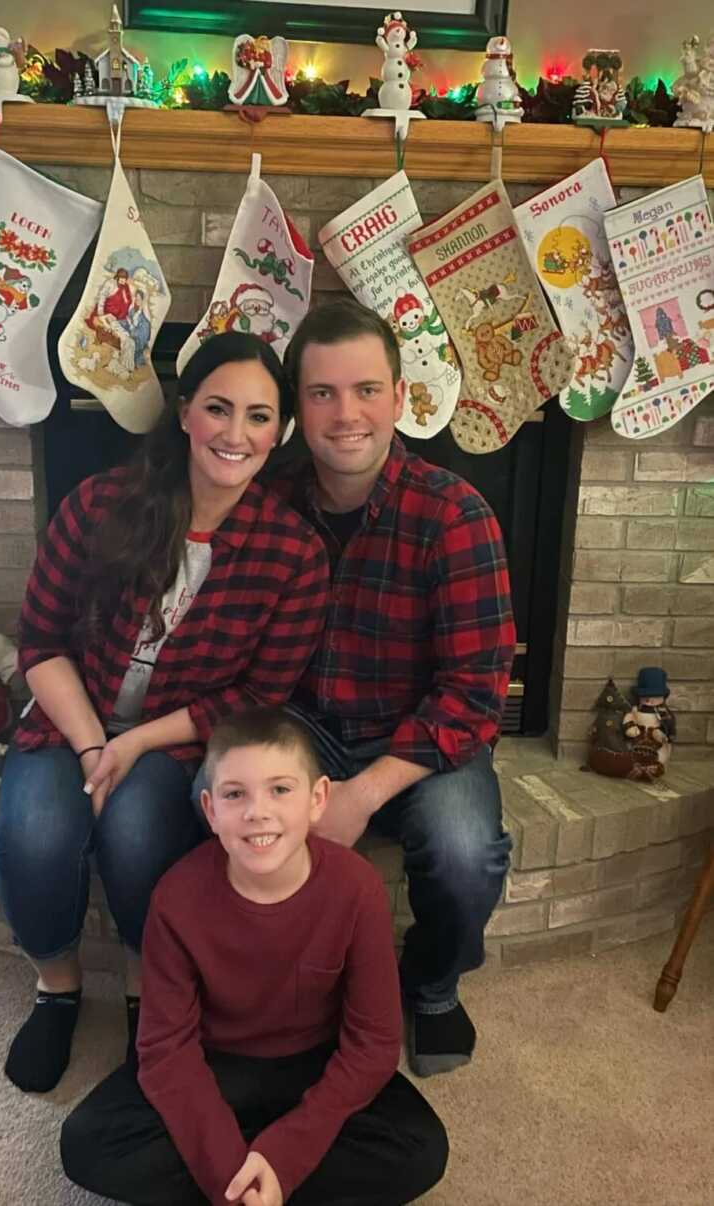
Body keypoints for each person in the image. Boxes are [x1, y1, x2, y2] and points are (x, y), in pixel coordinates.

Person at [0, 332, 330, 1094]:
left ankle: (155, 996)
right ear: (184, 415)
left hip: (176, 739)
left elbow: (256, 697)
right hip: (68, 719)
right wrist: (90, 748)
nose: (234, 434)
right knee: (36, 836)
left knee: (140, 834)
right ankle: (57, 988)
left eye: (256, 417)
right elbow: (41, 642)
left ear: (278, 433)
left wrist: (137, 741)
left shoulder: (293, 555)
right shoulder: (99, 506)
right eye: (217, 409)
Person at [60, 707, 449, 1205]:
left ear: (318, 800)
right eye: (235, 794)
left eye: (280, 790)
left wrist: (287, 1156)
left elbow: (372, 1045)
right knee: (88, 1144)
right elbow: (164, 1052)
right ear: (211, 809)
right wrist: (225, 1168)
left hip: (315, 1064)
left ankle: (264, 1179)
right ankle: (249, 1184)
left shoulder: (358, 890)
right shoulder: (177, 897)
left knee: (421, 1149)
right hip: (214, 1064)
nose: (257, 812)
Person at [275, 297, 516, 1078]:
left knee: (463, 851)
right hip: (299, 723)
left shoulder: (455, 514)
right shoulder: (267, 501)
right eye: (322, 394)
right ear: (298, 409)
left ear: (401, 399)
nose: (347, 414)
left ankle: (433, 984)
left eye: (367, 390)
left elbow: (475, 694)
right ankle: (281, 993)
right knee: (211, 803)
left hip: (420, 733)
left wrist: (361, 794)